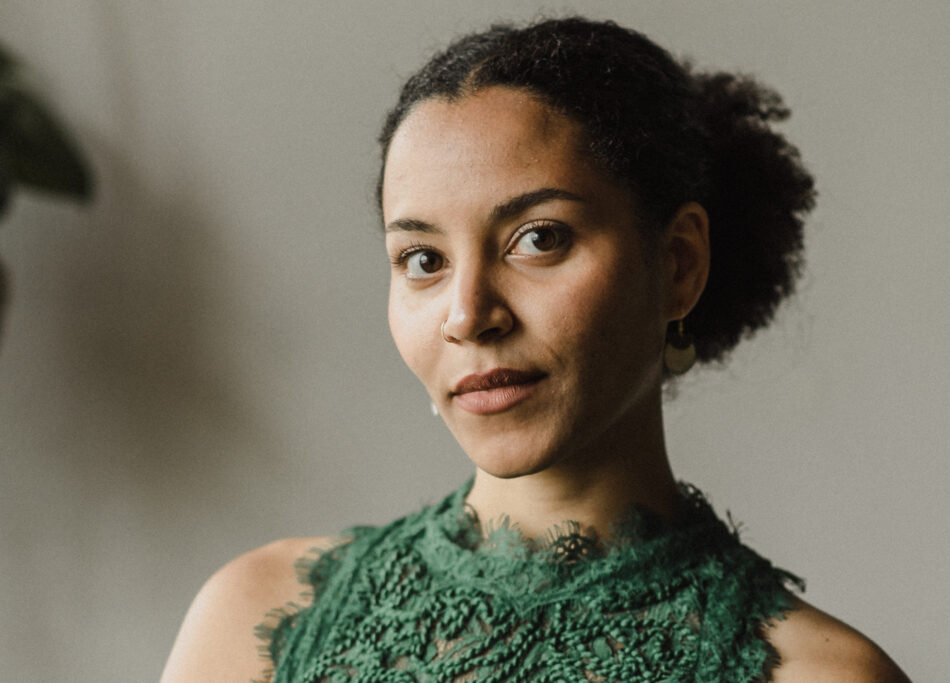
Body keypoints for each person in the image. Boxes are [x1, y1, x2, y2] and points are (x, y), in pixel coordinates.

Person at [162, 17, 910, 682]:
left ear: (678, 263)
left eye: (538, 239)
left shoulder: (818, 674)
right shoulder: (259, 619)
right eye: (423, 260)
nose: (467, 314)